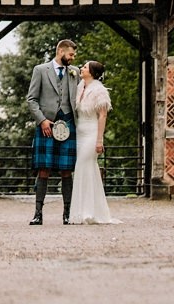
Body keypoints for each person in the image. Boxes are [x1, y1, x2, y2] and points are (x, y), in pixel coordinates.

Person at [26, 39, 80, 225]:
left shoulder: (75, 73)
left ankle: (67, 213)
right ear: (61, 51)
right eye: (71, 54)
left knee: (66, 170)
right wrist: (42, 121)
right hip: (46, 125)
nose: (73, 58)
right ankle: (38, 213)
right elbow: (31, 99)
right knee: (44, 169)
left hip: (68, 123)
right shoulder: (40, 70)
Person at [68, 60, 120, 225]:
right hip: (79, 133)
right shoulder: (80, 86)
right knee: (85, 169)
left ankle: (88, 212)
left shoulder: (100, 91)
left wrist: (99, 139)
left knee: (84, 166)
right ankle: (82, 210)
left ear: (92, 72)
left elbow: (102, 116)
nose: (81, 68)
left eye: (84, 67)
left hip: (91, 133)